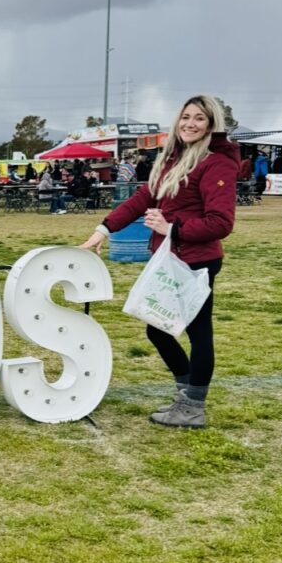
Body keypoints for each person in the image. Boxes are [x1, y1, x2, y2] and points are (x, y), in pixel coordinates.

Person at [79, 95, 238, 428]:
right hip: (170, 259)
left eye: (199, 118)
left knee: (196, 332)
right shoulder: (174, 158)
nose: (190, 124)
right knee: (158, 329)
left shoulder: (215, 163)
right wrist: (102, 231)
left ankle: (192, 405)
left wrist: (172, 228)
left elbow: (221, 222)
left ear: (211, 125)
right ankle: (187, 397)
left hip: (197, 260)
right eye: (185, 117)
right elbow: (142, 199)